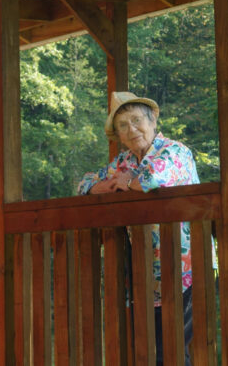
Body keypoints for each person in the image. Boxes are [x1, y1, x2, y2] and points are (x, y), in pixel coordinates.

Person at [78, 91, 199, 365]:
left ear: (152, 120)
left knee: (171, 350)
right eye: (123, 125)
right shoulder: (125, 161)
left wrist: (128, 181)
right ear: (118, 135)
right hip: (145, 268)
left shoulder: (175, 151)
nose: (132, 129)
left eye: (136, 120)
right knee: (150, 348)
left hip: (183, 267)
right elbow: (84, 183)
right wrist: (108, 184)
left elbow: (153, 179)